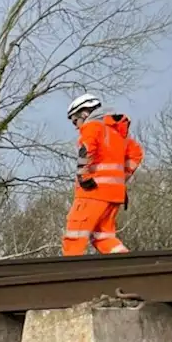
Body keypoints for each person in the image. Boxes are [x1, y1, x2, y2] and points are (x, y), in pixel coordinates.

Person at [62, 93, 144, 256]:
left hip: (92, 191)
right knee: (104, 237)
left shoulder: (92, 126)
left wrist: (83, 176)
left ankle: (69, 275)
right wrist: (120, 179)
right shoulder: (119, 133)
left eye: (75, 121)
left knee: (75, 234)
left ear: (84, 113)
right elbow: (136, 154)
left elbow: (86, 149)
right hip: (114, 195)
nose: (76, 126)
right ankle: (126, 265)